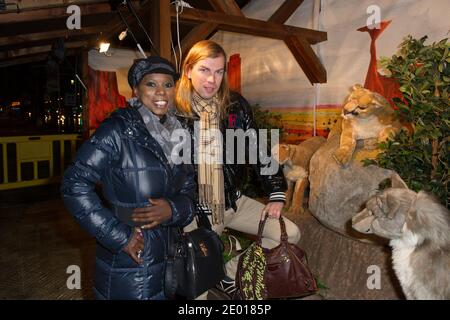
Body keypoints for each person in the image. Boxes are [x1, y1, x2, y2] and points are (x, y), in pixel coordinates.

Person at [61, 56, 196, 300]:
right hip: (131, 262)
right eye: (151, 84)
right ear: (136, 90)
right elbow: (74, 184)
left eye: (167, 85)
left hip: (171, 257)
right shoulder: (117, 129)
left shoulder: (179, 133)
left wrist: (173, 210)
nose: (161, 92)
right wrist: (120, 237)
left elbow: (189, 188)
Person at [176, 40, 301, 297]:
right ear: (188, 70)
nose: (212, 79)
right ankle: (208, 276)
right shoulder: (173, 112)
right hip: (195, 213)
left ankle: (227, 273)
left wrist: (276, 190)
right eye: (204, 70)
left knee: (288, 234)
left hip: (232, 201)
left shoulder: (235, 106)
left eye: (219, 71)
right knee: (196, 294)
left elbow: (256, 149)